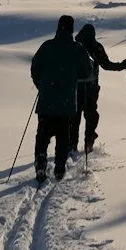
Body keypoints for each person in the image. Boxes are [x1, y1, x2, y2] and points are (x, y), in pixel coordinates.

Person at [29, 13, 93, 184]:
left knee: (42, 134)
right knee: (63, 135)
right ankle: (59, 166)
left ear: (58, 27)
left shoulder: (47, 46)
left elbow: (35, 68)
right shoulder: (77, 49)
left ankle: (41, 162)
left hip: (46, 101)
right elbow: (87, 72)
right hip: (66, 103)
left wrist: (41, 85)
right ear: (72, 30)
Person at [75, 20, 126, 153]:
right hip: (91, 89)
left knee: (73, 119)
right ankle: (89, 142)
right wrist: (121, 66)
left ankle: (71, 147)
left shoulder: (74, 46)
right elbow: (106, 65)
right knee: (91, 116)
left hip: (75, 90)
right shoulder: (96, 46)